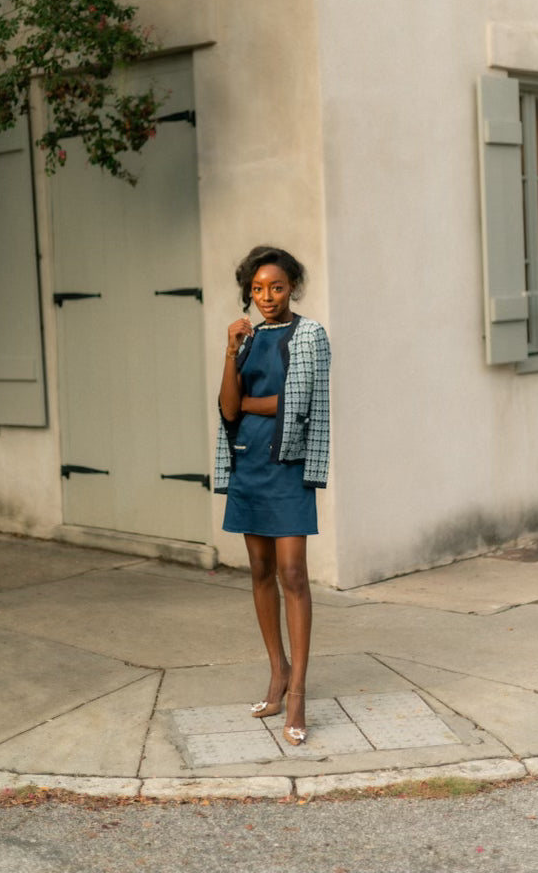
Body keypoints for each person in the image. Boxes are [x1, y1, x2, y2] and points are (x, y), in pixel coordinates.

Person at [215, 246, 331, 747]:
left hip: (288, 465)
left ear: (292, 288)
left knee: (292, 575)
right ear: (249, 290)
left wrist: (246, 403)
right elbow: (226, 408)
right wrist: (228, 353)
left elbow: (297, 402)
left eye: (276, 287)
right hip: (248, 464)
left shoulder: (310, 336)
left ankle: (300, 692)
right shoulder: (244, 337)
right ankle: (277, 673)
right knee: (260, 573)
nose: (266, 297)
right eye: (258, 289)